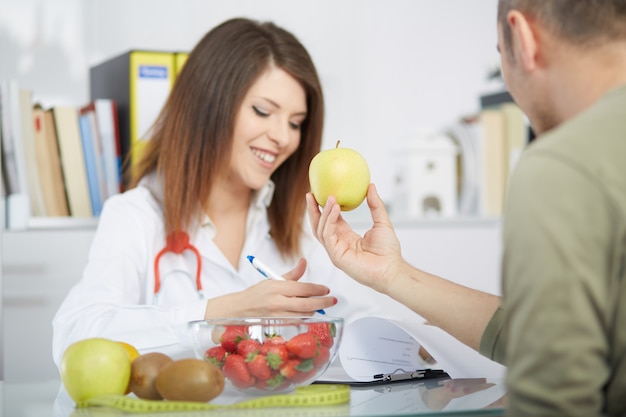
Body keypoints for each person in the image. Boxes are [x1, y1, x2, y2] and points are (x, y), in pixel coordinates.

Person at [307, 1, 626, 416]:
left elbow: (554, 400)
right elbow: (556, 335)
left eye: (499, 53)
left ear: (522, 37)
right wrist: (392, 274)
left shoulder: (563, 163)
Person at [52, 18, 415, 366]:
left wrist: (418, 345)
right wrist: (223, 313)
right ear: (207, 105)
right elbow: (75, 339)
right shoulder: (134, 215)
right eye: (262, 111)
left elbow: (362, 325)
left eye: (295, 123)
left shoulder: (302, 226)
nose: (283, 137)